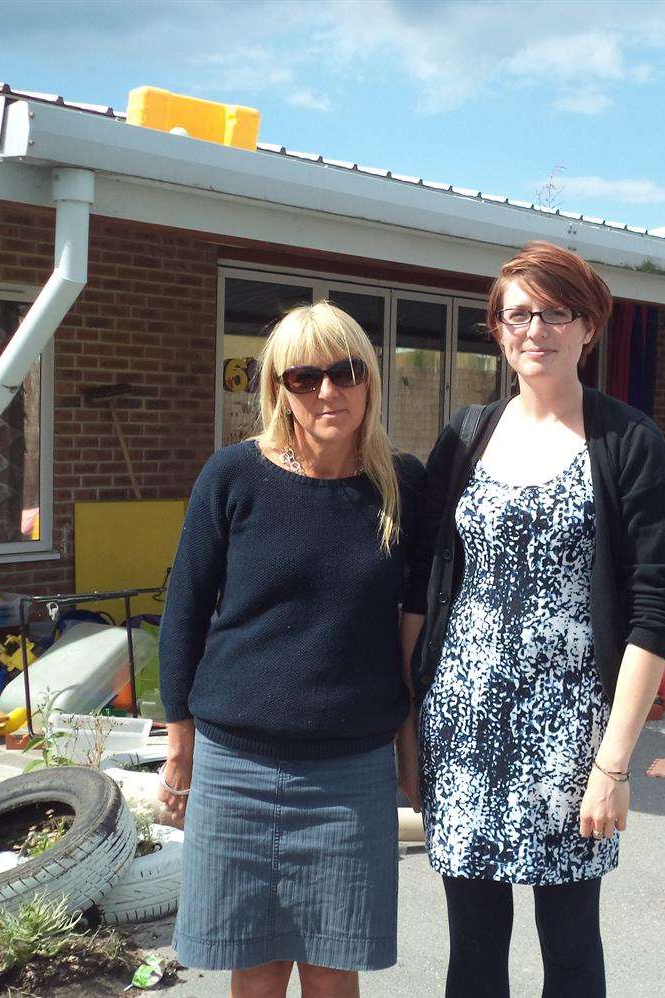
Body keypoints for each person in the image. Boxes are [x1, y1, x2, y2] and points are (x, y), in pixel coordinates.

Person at [405, 241, 665, 997]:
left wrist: (613, 767)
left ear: (587, 327)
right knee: (472, 946)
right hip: (460, 724)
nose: (537, 330)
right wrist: (405, 723)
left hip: (569, 734)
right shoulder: (465, 435)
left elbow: (653, 613)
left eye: (556, 313)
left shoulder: (628, 443)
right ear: (497, 329)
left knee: (567, 944)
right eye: (519, 314)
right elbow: (418, 586)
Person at [158, 302, 425, 998]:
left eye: (345, 372)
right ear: (279, 389)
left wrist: (410, 748)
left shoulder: (401, 486)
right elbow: (184, 611)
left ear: (369, 379)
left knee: (334, 966)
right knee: (257, 963)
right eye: (304, 378)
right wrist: (179, 746)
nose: (327, 392)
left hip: (348, 770)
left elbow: (414, 629)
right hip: (235, 762)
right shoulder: (232, 476)